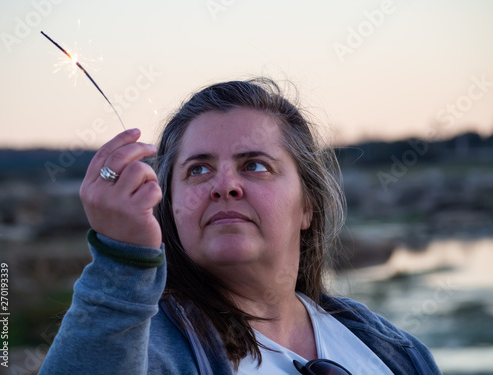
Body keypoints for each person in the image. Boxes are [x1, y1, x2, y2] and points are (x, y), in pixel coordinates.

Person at [39, 78, 441, 374]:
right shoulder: (140, 350)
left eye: (255, 166)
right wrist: (121, 262)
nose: (224, 186)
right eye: (198, 169)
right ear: (170, 205)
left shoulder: (393, 352)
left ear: (308, 207)